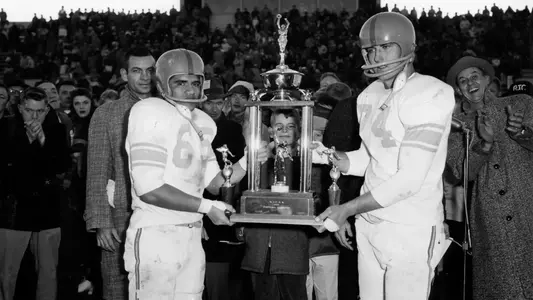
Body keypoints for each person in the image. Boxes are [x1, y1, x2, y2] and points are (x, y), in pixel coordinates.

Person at [314, 12, 454, 299]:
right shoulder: (369, 95)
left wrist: (346, 209)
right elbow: (368, 157)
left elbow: (408, 180)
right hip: (369, 223)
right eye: (370, 49)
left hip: (408, 226)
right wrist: (328, 155)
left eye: (386, 47)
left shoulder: (430, 92)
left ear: (409, 48)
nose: (376, 57)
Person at [123, 48, 268, 300]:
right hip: (157, 232)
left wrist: (249, 161)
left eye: (195, 82)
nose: (190, 90)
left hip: (192, 233)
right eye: (180, 83)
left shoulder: (202, 121)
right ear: (162, 83)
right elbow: (149, 189)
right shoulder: (149, 111)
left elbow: (215, 183)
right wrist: (207, 207)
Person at [445, 56, 533, 300]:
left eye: (474, 76)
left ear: (487, 80)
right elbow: (461, 173)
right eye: (462, 81)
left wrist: (523, 133)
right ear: (458, 90)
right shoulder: (455, 126)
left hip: (527, 206)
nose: (469, 83)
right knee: (501, 286)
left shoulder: (521, 103)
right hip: (490, 217)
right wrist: (484, 145)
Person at [84, 46, 155, 300]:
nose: (145, 77)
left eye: (150, 70)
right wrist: (101, 222)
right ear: (125, 74)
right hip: (119, 219)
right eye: (137, 71)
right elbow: (96, 173)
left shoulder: (168, 110)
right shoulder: (107, 113)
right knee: (116, 289)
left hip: (163, 218)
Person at [0, 87, 70, 300]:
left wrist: (42, 141)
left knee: (48, 272)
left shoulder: (56, 130)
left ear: (47, 109)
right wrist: (29, 142)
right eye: (29, 110)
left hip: (47, 211)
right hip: (14, 211)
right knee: (6, 273)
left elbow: (62, 166)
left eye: (40, 111)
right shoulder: (5, 127)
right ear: (20, 108)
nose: (34, 116)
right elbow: (6, 167)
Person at [241, 109, 309, 300]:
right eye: (279, 127)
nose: (284, 131)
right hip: (258, 247)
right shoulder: (257, 159)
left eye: (290, 127)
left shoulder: (306, 162)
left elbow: (315, 200)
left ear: (298, 130)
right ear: (270, 131)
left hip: (292, 248)